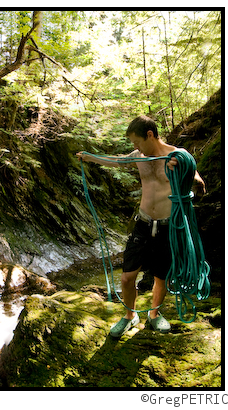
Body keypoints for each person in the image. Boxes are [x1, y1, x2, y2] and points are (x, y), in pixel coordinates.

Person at [77, 115, 205, 338]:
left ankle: (154, 314)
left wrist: (184, 174)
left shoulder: (178, 156)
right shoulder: (139, 156)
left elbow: (199, 184)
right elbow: (116, 161)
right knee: (127, 277)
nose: (135, 148)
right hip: (143, 224)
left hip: (168, 227)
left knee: (161, 276)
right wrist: (90, 158)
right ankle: (129, 315)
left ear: (150, 135)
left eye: (137, 142)